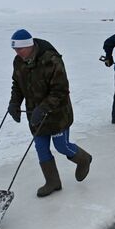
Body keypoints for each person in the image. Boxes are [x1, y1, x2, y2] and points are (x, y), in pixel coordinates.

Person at [8, 29, 92, 198]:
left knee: (61, 146)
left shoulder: (51, 60)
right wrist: (14, 103)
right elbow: (17, 85)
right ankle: (52, 182)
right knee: (41, 148)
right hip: (35, 113)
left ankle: (83, 159)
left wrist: (43, 108)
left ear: (29, 46)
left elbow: (61, 90)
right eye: (15, 50)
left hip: (57, 113)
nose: (17, 53)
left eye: (20, 49)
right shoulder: (19, 61)